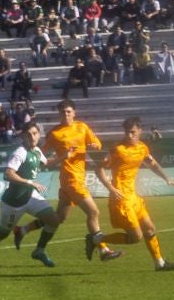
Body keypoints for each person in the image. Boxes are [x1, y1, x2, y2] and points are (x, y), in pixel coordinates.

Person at [0, 121, 65, 275]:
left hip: (30, 196)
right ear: (23, 136)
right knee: (2, 233)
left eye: (35, 133)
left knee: (53, 220)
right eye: (29, 134)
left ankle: (39, 250)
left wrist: (64, 156)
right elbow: (8, 174)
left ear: (39, 134)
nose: (32, 137)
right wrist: (29, 182)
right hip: (13, 202)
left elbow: (46, 163)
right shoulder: (20, 152)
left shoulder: (36, 150)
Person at [96, 116, 174, 272]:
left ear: (139, 131)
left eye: (132, 132)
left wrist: (167, 179)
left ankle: (160, 263)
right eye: (127, 132)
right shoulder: (117, 149)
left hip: (134, 198)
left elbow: (152, 164)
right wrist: (110, 188)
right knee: (135, 237)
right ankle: (97, 239)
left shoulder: (142, 148)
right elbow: (98, 168)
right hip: (121, 199)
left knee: (150, 229)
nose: (129, 135)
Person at [43, 99, 121, 263]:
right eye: (63, 112)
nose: (66, 114)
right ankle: (103, 248)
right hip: (71, 179)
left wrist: (94, 145)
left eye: (69, 111)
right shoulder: (54, 133)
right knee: (93, 212)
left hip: (77, 178)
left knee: (59, 218)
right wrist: (59, 157)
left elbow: (97, 143)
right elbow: (42, 154)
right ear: (59, 114)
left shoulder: (82, 127)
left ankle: (28, 234)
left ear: (74, 113)